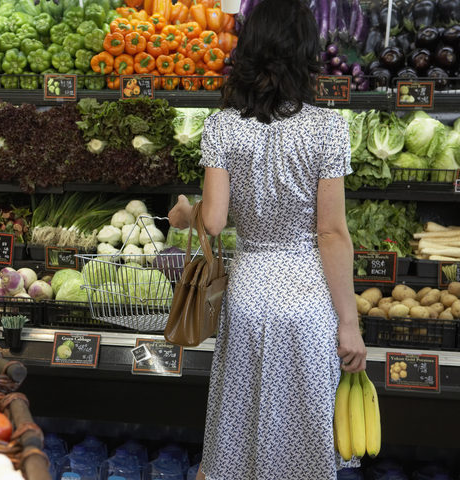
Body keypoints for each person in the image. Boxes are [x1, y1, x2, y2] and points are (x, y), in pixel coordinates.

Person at [167, 0, 366, 477]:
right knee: (305, 429)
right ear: (305, 53)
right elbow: (332, 233)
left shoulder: (222, 126)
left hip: (249, 292)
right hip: (307, 296)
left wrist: (183, 214)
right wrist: (350, 323)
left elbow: (213, 221)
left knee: (239, 424)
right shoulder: (327, 128)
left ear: (249, 50)